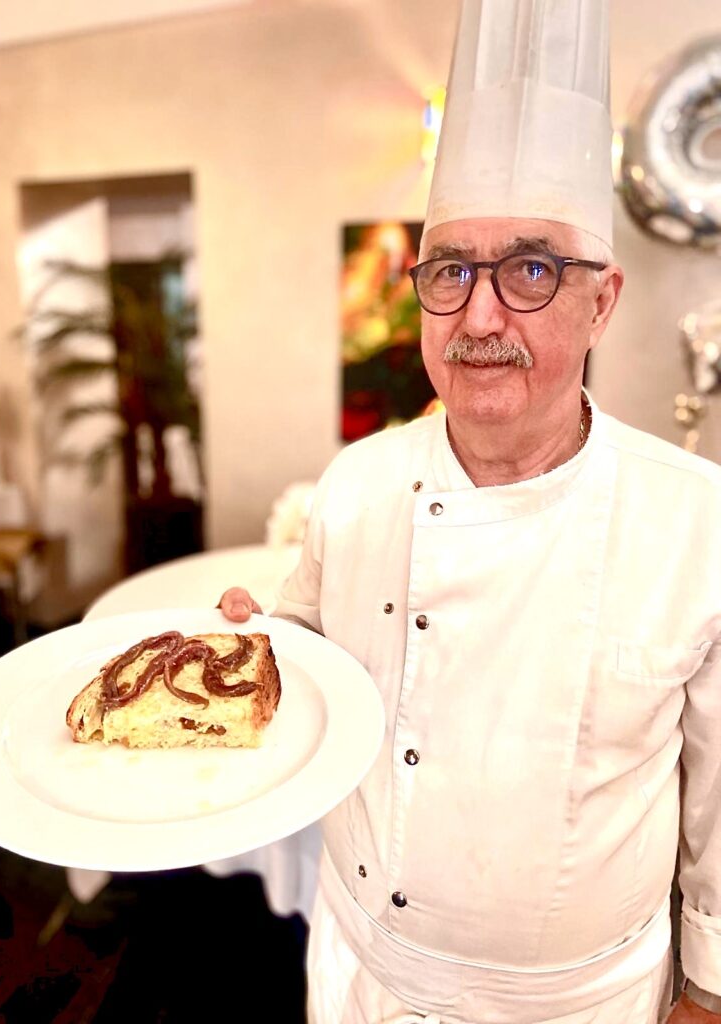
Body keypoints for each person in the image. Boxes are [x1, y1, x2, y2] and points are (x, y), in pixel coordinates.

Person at [220, 2, 721, 1021]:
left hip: (582, 1004)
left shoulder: (696, 519)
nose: (480, 315)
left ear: (603, 299)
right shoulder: (355, 481)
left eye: (530, 268)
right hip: (364, 975)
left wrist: (708, 990)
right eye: (450, 271)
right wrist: (260, 644)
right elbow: (313, 651)